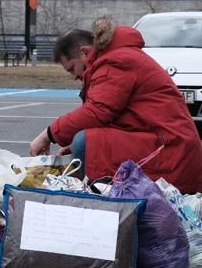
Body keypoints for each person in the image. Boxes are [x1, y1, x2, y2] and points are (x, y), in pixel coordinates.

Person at [30, 18, 202, 193]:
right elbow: (117, 117)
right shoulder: (116, 58)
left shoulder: (116, 61)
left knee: (86, 142)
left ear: (85, 53)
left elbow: (97, 112)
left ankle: (94, 208)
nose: (73, 76)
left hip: (172, 151)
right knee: (84, 142)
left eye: (71, 68)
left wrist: (48, 135)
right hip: (167, 144)